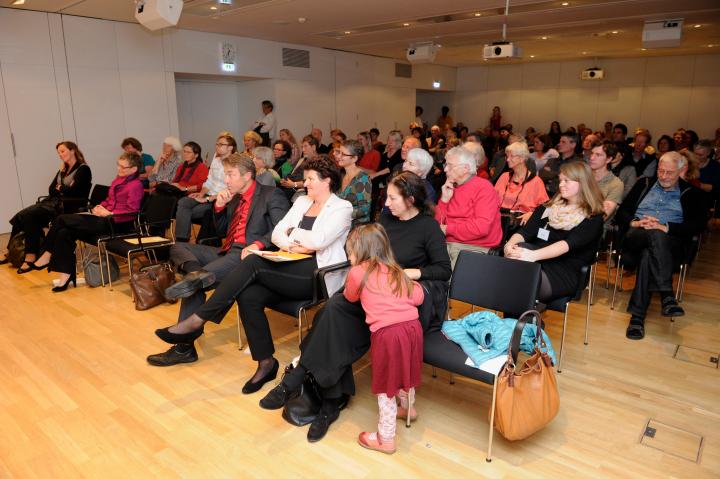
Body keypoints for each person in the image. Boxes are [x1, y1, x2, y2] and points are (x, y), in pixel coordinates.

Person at [259, 171, 450, 442]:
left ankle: (300, 380)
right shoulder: (386, 219)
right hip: (374, 290)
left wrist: (404, 273)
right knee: (330, 312)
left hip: (403, 295)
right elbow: (372, 255)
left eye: (393, 198)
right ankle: (330, 400)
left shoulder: (427, 227)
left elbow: (443, 270)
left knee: (334, 319)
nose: (387, 203)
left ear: (410, 199)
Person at [153, 156, 352, 393]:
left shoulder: (342, 207)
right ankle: (266, 362)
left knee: (253, 262)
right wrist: (296, 243)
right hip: (289, 262)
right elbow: (278, 234)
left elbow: (319, 241)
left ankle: (197, 320)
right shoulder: (301, 202)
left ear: (327, 180)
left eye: (310, 179)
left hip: (316, 273)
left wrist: (296, 239)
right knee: (248, 294)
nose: (304, 183)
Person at [147, 153, 289, 367]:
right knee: (177, 246)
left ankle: (183, 348)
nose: (226, 180)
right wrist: (220, 207)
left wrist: (258, 244)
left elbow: (282, 230)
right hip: (228, 251)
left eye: (230, 174)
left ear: (248, 175)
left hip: (248, 256)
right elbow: (222, 231)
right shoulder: (235, 197)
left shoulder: (271, 195)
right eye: (226, 174)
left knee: (194, 286)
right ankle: (196, 272)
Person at [340, 224, 424, 454]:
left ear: (361, 251)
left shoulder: (358, 273)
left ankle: (386, 438)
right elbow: (418, 296)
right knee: (405, 370)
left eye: (350, 252)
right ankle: (408, 408)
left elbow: (350, 296)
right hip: (412, 328)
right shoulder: (397, 271)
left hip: (388, 334)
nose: (349, 257)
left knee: (386, 386)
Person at [615, 152, 706, 340]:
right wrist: (635, 223)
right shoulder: (644, 184)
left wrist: (665, 227)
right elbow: (622, 211)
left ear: (682, 170)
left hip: (668, 242)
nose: (663, 176)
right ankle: (666, 294)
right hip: (636, 236)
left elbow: (697, 225)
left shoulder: (691, 193)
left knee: (649, 254)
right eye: (661, 171)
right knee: (651, 236)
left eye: (669, 173)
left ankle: (637, 318)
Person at [30, 152, 143, 292]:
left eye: (123, 167)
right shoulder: (118, 180)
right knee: (65, 232)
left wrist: (110, 213)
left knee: (60, 219)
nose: (119, 169)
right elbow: (110, 201)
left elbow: (133, 211)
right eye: (118, 165)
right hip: (104, 218)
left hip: (117, 224)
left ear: (133, 169)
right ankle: (66, 275)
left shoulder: (135, 185)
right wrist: (100, 206)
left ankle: (47, 254)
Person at [504, 161, 605, 303]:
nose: (561, 184)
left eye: (567, 181)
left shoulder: (592, 217)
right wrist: (509, 245)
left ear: (582, 183)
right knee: (519, 253)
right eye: (560, 180)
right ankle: (523, 322)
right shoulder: (549, 207)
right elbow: (525, 232)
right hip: (535, 259)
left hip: (563, 269)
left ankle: (522, 322)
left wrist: (532, 255)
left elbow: (567, 244)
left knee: (517, 277)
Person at [2, 141, 92, 273]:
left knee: (29, 215)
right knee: (23, 215)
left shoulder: (83, 169)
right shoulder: (63, 169)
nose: (60, 155)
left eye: (63, 151)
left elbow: (74, 192)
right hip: (55, 203)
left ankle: (30, 256)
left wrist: (60, 187)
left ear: (73, 150)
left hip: (68, 207)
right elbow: (51, 190)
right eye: (58, 153)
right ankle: (11, 252)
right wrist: (63, 188)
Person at [436, 146, 502, 267]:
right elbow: (436, 225)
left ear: (465, 168)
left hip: (473, 248)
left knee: (440, 277)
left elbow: (481, 228)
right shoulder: (451, 187)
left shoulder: (483, 188)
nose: (445, 169)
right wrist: (444, 200)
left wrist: (447, 229)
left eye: (450, 165)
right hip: (447, 244)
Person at [174, 134, 237, 242]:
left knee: (188, 212)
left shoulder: (235, 163)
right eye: (216, 144)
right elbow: (209, 181)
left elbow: (232, 190)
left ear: (230, 147)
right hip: (208, 194)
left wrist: (207, 199)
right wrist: (201, 194)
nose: (217, 146)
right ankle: (181, 240)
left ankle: (182, 242)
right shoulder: (216, 159)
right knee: (184, 202)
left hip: (220, 199)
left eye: (221, 144)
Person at [494, 141, 548, 228]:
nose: (507, 159)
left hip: (520, 224)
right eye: (507, 156)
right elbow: (491, 200)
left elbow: (545, 209)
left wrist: (531, 214)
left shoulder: (536, 181)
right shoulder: (504, 177)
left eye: (511, 156)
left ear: (522, 158)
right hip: (498, 220)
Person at [336, 139, 372, 225]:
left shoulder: (362, 179)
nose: (339, 156)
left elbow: (364, 210)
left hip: (357, 228)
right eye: (339, 152)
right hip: (340, 224)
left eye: (343, 154)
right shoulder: (341, 174)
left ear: (354, 158)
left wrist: (340, 214)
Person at [588, 140, 624, 220]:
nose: (592, 157)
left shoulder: (616, 184)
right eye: (592, 153)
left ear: (608, 159)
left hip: (592, 226)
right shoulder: (582, 174)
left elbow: (602, 217)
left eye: (598, 155)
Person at [279, 135, 318, 201]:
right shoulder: (302, 160)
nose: (303, 150)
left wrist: (294, 184)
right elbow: (292, 174)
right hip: (290, 186)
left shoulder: (317, 162)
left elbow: (312, 181)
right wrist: (284, 180)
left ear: (313, 147)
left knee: (278, 197)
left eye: (305, 146)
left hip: (300, 189)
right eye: (302, 147)